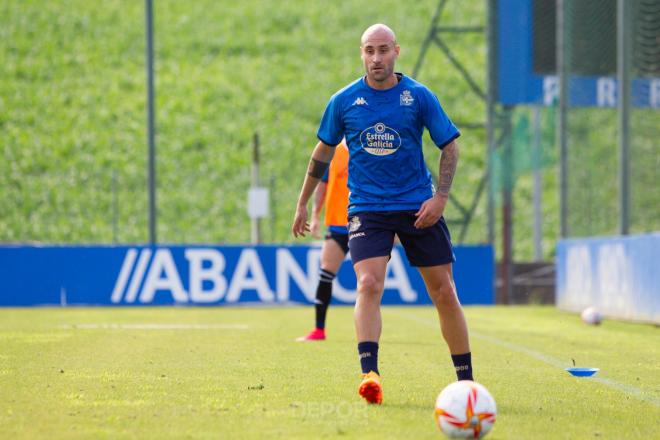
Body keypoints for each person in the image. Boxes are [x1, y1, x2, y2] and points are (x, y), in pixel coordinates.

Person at [291, 23, 472, 405]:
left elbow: (450, 147)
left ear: (396, 51)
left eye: (383, 50)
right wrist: (303, 201)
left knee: (443, 291)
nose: (376, 58)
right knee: (368, 284)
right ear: (362, 53)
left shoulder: (419, 97)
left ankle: (466, 382)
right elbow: (321, 153)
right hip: (368, 209)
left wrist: (440, 197)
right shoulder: (343, 101)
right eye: (369, 50)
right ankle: (370, 374)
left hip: (418, 206)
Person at [296, 141, 350, 342]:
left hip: (366, 223)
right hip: (337, 224)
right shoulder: (333, 151)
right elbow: (323, 185)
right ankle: (319, 330)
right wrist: (316, 215)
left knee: (369, 281)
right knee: (326, 272)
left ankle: (369, 333)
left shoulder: (370, 147)